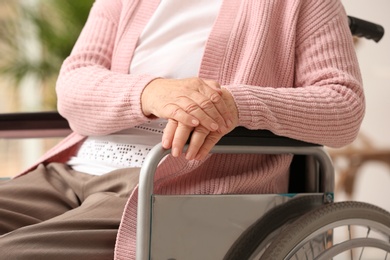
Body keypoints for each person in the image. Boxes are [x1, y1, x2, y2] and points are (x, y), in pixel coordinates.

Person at [0, 0, 365, 259]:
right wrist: (151, 92)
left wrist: (234, 104)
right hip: (69, 172)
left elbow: (343, 104)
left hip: (165, 185)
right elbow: (73, 85)